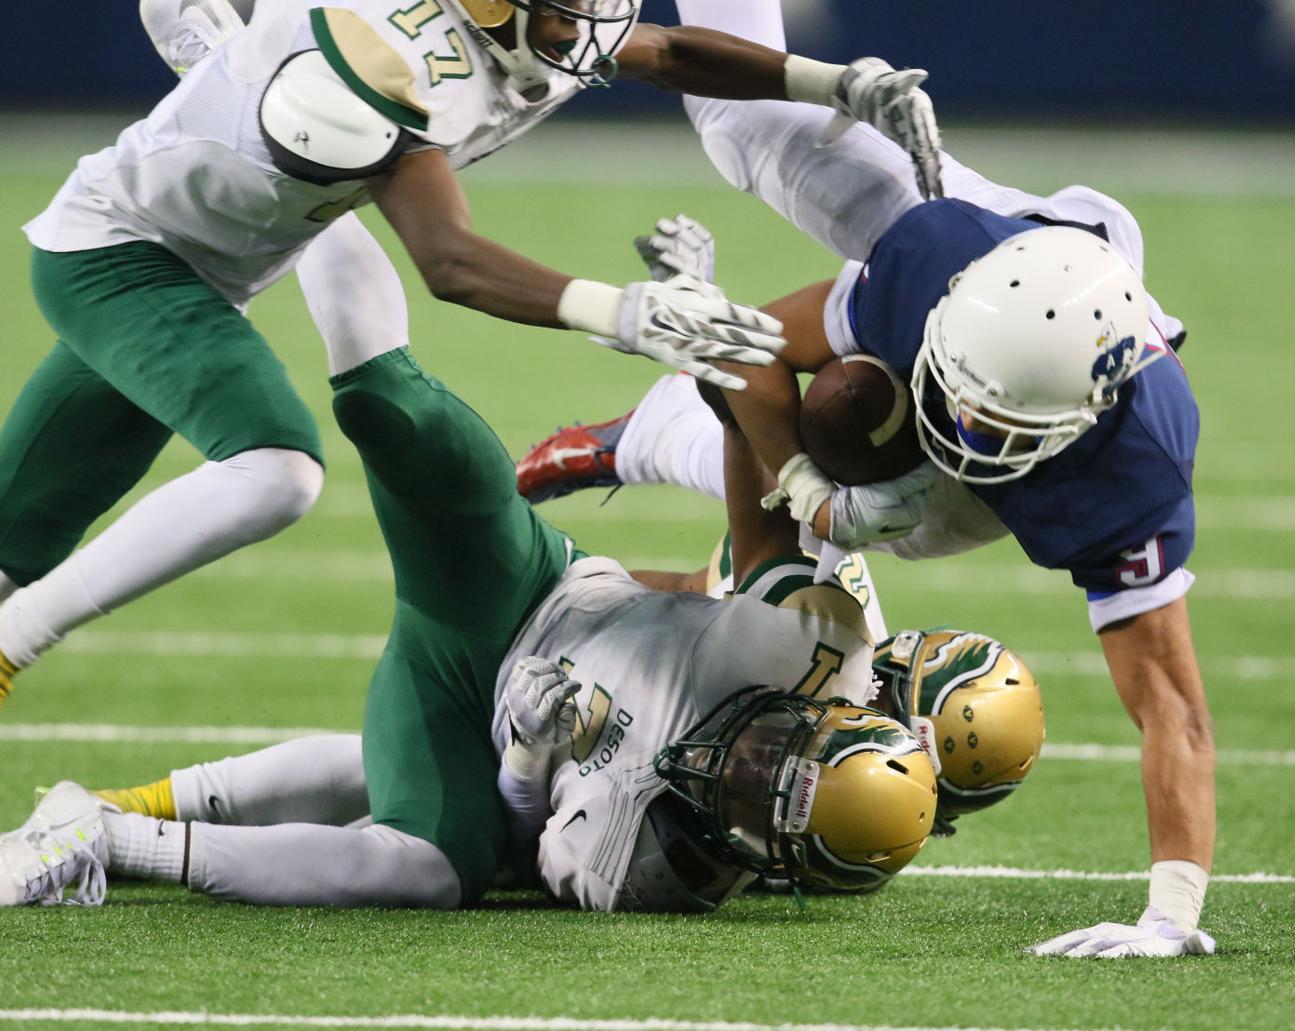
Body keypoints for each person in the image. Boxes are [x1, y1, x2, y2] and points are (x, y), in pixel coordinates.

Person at [514, 0, 1216, 960]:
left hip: (995, 460)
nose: (951, 423)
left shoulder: (1127, 475)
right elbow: (752, 346)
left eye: (985, 418)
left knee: (888, 552)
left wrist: (1171, 914)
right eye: (952, 393)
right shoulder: (935, 269)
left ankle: (645, 441)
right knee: (749, 136)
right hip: (993, 259)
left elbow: (1172, 707)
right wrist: (802, 476)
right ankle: (643, 436)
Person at [0, 0, 944, 707]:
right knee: (274, 470)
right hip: (128, 257)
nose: (584, 30)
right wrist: (625, 311)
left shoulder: (538, 20)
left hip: (222, 252)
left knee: (17, 532)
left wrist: (833, 83)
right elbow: (449, 262)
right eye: (563, 15)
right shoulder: (393, 58)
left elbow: (660, 48)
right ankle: (17, 643)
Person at [0, 317, 938, 912]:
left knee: (424, 865)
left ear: (775, 858)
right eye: (778, 754)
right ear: (836, 716)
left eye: (754, 792)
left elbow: (515, 838)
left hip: (468, 724)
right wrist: (732, 372)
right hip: (537, 595)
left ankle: (109, 833)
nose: (746, 763)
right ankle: (321, 198)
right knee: (406, 419)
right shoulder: (811, 648)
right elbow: (755, 513)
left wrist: (530, 753)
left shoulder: (659, 872)